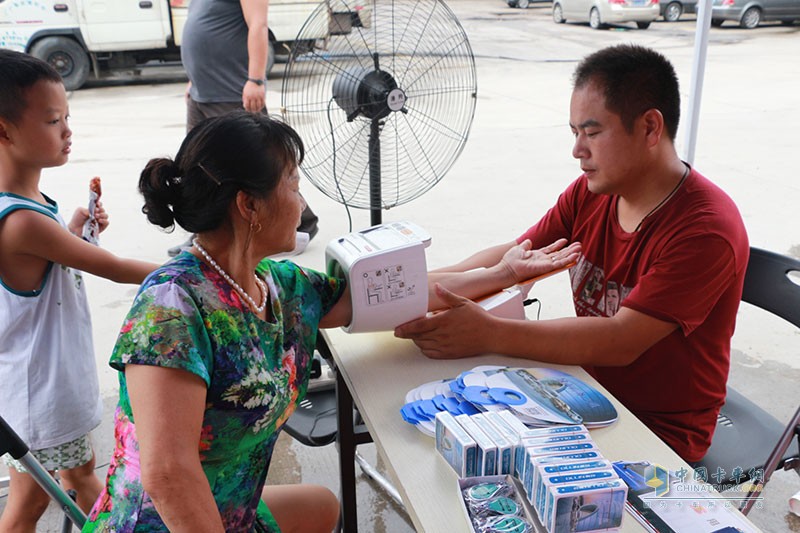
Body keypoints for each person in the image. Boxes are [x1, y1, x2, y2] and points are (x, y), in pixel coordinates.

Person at [82, 110, 577, 532]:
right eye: (293, 184)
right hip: (166, 522)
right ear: (249, 205)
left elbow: (396, 293)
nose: (302, 203)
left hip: (231, 509)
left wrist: (503, 273)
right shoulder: (172, 308)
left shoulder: (279, 285)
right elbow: (168, 476)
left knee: (323, 506)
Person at [395, 44, 750, 464]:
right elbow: (514, 257)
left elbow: (621, 341)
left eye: (592, 133)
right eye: (574, 133)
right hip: (578, 390)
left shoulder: (705, 229)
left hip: (656, 431)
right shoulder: (591, 193)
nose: (578, 150)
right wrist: (414, 290)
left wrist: (489, 332)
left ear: (650, 128)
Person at [0, 49, 157, 532]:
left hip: (42, 386)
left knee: (81, 475)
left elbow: (43, 264)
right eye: (53, 120)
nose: (67, 130)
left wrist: (72, 230)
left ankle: (113, 524)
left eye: (67, 116)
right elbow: (115, 269)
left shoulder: (28, 207)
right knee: (30, 502)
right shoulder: (23, 220)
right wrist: (198, 273)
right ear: (3, 130)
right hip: (40, 395)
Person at [168, 0, 318, 258]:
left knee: (260, 164)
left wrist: (256, 79)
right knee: (198, 168)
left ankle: (301, 223)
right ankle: (205, 235)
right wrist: (194, 79)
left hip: (232, 91)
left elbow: (258, 25)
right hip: (202, 93)